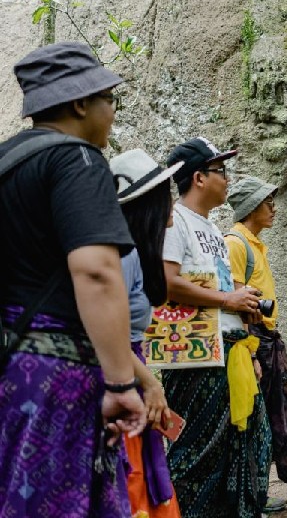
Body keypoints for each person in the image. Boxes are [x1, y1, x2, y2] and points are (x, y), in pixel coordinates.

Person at [0, 42, 147, 516]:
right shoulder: (77, 161)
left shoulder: (7, 161)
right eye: (110, 100)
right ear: (81, 103)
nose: (113, 113)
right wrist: (121, 384)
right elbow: (97, 272)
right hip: (53, 377)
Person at [160, 137, 271, 518]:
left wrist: (244, 317)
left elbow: (223, 289)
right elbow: (167, 282)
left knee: (239, 444)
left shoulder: (211, 227)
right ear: (198, 178)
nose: (228, 179)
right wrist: (227, 300)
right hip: (196, 357)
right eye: (221, 171)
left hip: (230, 348)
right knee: (196, 452)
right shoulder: (176, 222)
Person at [110, 148, 184, 518]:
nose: (172, 203)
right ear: (149, 205)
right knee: (130, 482)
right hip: (120, 382)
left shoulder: (135, 254)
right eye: (165, 194)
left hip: (131, 374)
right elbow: (105, 335)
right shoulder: (122, 257)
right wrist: (150, 383)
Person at [225, 177, 287, 514]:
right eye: (268, 203)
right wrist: (252, 352)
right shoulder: (236, 244)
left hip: (266, 341)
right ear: (251, 207)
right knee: (252, 424)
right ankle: (250, 494)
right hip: (253, 342)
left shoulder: (254, 244)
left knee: (267, 422)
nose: (274, 209)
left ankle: (257, 491)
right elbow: (237, 303)